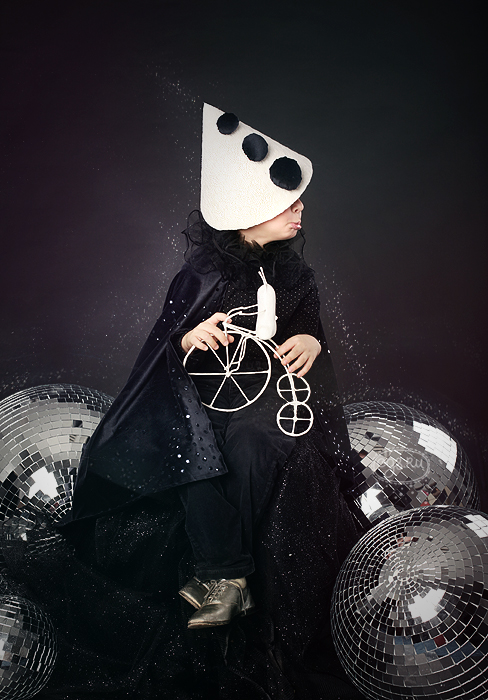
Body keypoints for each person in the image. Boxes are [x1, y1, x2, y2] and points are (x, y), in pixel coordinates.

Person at [1, 104, 366, 699]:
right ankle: (226, 575)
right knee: (198, 449)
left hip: (274, 402)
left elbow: (309, 335)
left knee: (254, 441)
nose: (301, 208)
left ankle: (225, 575)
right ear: (248, 209)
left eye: (299, 200)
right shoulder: (203, 272)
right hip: (206, 400)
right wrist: (190, 338)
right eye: (286, 202)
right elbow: (167, 345)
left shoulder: (297, 277)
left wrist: (310, 340)